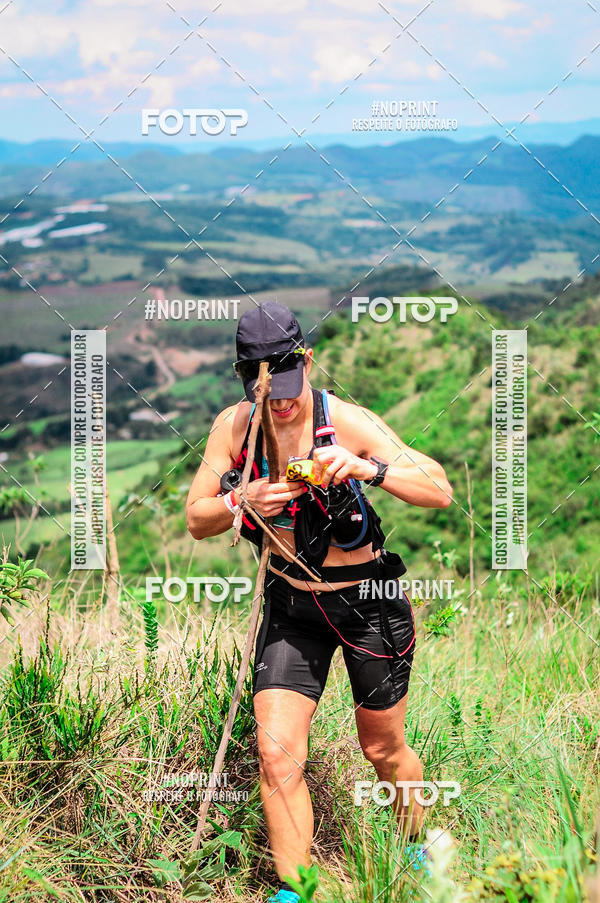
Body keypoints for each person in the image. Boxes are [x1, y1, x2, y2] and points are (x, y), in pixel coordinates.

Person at [186, 301, 453, 903]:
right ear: (243, 378)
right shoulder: (234, 428)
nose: (279, 402)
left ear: (307, 361)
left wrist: (368, 467)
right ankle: (296, 892)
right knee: (276, 755)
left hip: (366, 601)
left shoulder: (346, 420)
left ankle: (418, 844)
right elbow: (195, 518)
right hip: (289, 605)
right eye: (265, 390)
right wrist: (241, 500)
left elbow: (438, 488)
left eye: (287, 384)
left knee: (382, 749)